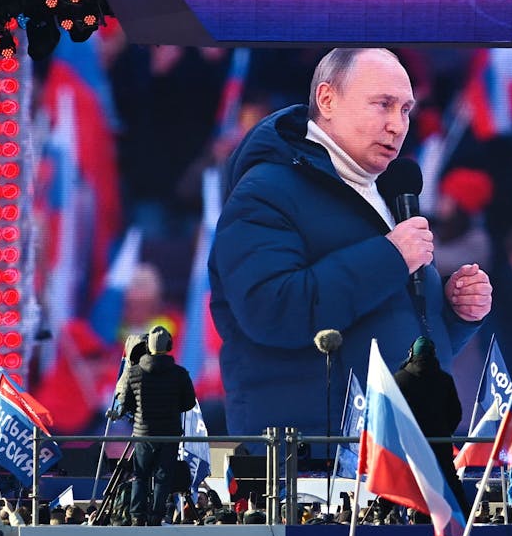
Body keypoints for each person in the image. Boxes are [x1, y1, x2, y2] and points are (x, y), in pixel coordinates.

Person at [209, 48, 491, 438]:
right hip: (312, 461)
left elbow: (390, 333)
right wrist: (390, 258)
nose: (398, 125)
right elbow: (271, 311)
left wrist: (456, 318)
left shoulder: (387, 196)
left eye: (406, 110)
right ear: (327, 100)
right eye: (383, 105)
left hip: (403, 448)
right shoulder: (264, 192)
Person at [120, 325, 197, 526]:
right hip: (169, 435)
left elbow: (126, 403)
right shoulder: (180, 374)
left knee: (140, 476)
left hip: (143, 435)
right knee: (163, 477)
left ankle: (137, 516)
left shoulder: (134, 372)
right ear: (169, 345)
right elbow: (189, 403)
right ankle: (156, 517)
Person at [392, 336, 467, 507]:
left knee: (398, 477)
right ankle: (466, 519)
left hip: (409, 443)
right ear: (434, 355)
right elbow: (456, 413)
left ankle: (380, 517)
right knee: (449, 480)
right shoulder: (444, 380)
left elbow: (392, 414)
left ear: (411, 354)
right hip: (439, 442)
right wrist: (443, 431)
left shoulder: (399, 379)